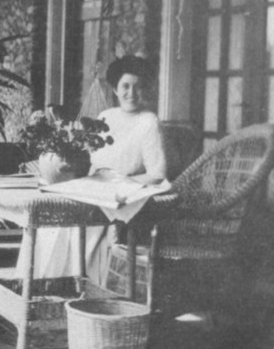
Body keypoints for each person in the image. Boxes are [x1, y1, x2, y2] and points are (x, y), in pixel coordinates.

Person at [22, 55, 167, 283]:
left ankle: (81, 284)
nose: (131, 93)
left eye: (138, 87)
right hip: (94, 186)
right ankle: (42, 282)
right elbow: (91, 160)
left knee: (82, 229)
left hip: (120, 194)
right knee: (54, 219)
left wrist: (122, 184)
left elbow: (157, 173)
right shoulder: (105, 117)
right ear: (116, 90)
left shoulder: (148, 121)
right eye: (125, 86)